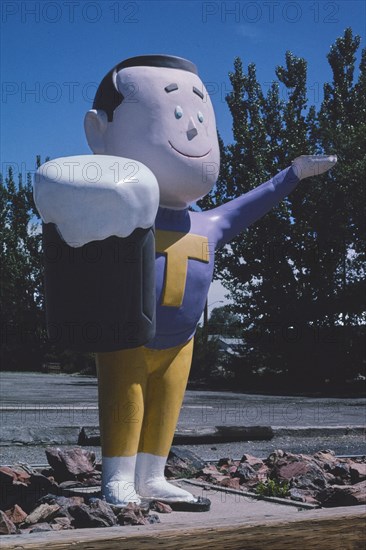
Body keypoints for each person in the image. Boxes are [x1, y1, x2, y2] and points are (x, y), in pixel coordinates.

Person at [35, 55, 337, 508]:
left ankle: (152, 475)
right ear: (100, 131)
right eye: (176, 114)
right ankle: (117, 476)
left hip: (183, 338)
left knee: (166, 405)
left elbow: (252, 204)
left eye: (200, 116)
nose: (193, 128)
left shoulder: (207, 224)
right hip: (128, 332)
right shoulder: (121, 217)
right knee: (125, 398)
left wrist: (291, 174)